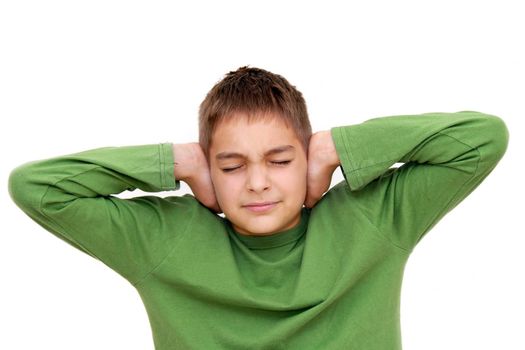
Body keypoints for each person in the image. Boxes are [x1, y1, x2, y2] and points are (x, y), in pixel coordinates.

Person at [8, 66, 509, 350]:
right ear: (209, 170)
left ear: (306, 157)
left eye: (280, 159)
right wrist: (175, 161)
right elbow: (37, 188)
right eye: (231, 167)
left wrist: (339, 147)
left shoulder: (370, 217)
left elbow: (482, 140)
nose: (257, 183)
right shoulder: (166, 239)